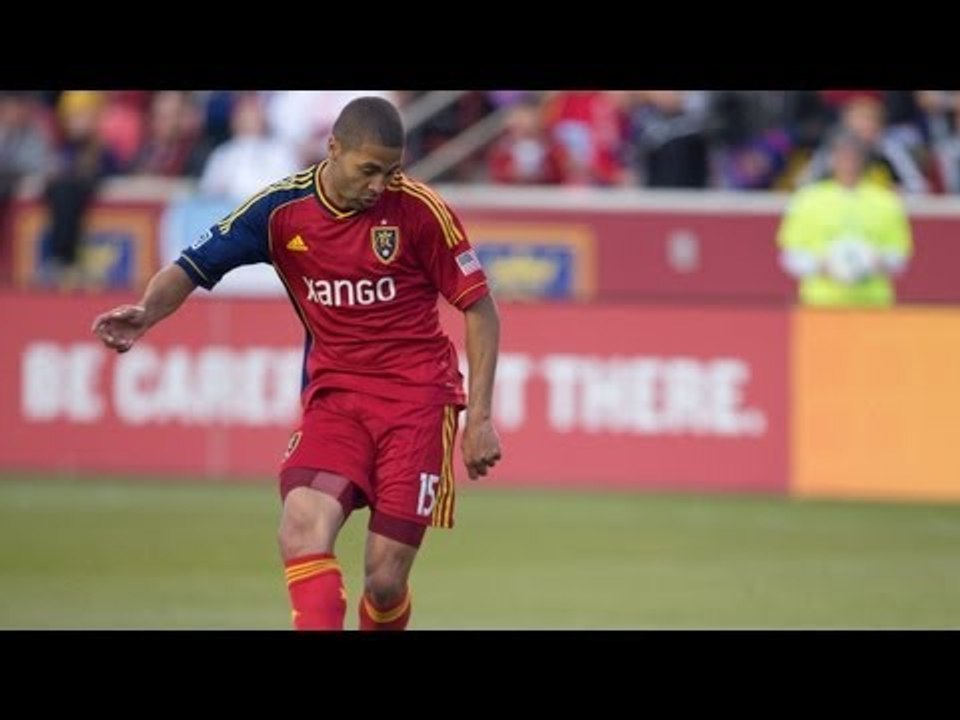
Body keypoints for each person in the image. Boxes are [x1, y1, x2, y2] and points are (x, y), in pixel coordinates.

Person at [91, 96, 502, 630]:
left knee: (384, 580)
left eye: (392, 171)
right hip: (335, 400)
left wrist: (481, 418)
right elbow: (193, 264)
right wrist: (147, 312)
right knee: (301, 528)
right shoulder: (280, 210)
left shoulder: (419, 209)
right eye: (369, 170)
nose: (380, 185)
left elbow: (480, 309)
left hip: (416, 403)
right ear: (333, 149)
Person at [776, 129, 913, 307]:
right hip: (820, 303)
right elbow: (791, 256)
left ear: (863, 160)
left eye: (853, 157)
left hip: (873, 303)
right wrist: (821, 266)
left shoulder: (886, 202)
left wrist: (877, 262)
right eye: (842, 156)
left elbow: (899, 256)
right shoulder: (808, 200)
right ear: (832, 159)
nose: (848, 163)